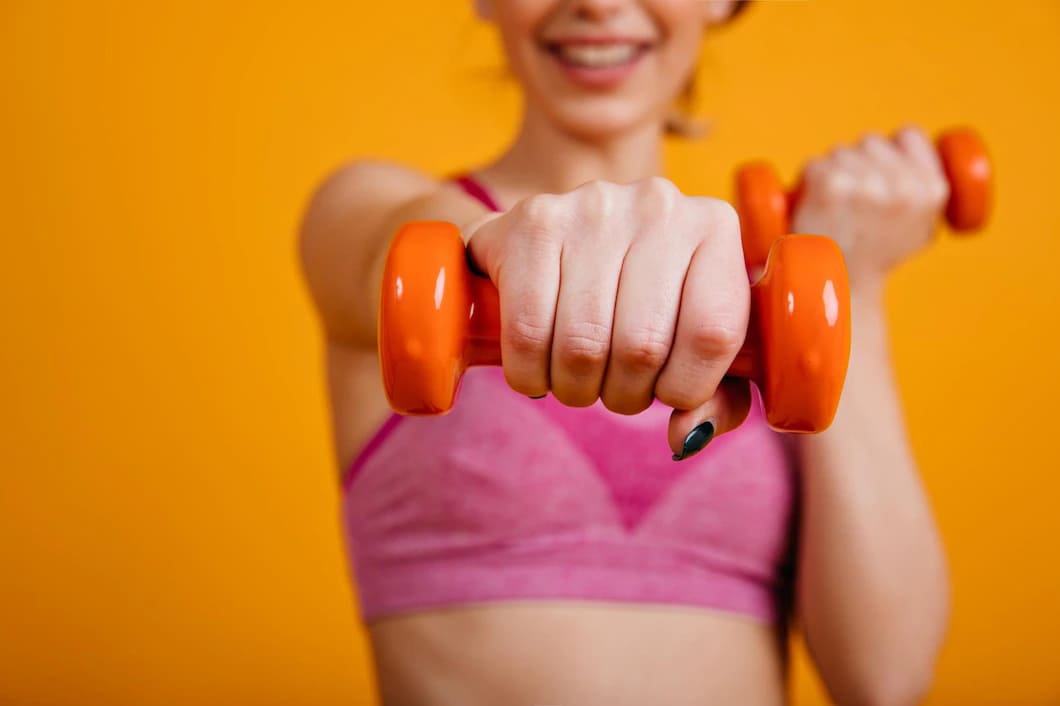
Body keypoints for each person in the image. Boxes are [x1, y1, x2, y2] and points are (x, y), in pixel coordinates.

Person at [299, 1, 950, 703]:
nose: (599, 4)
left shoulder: (761, 300)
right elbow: (394, 252)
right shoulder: (367, 209)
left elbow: (885, 681)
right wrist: (502, 239)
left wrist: (849, 283)